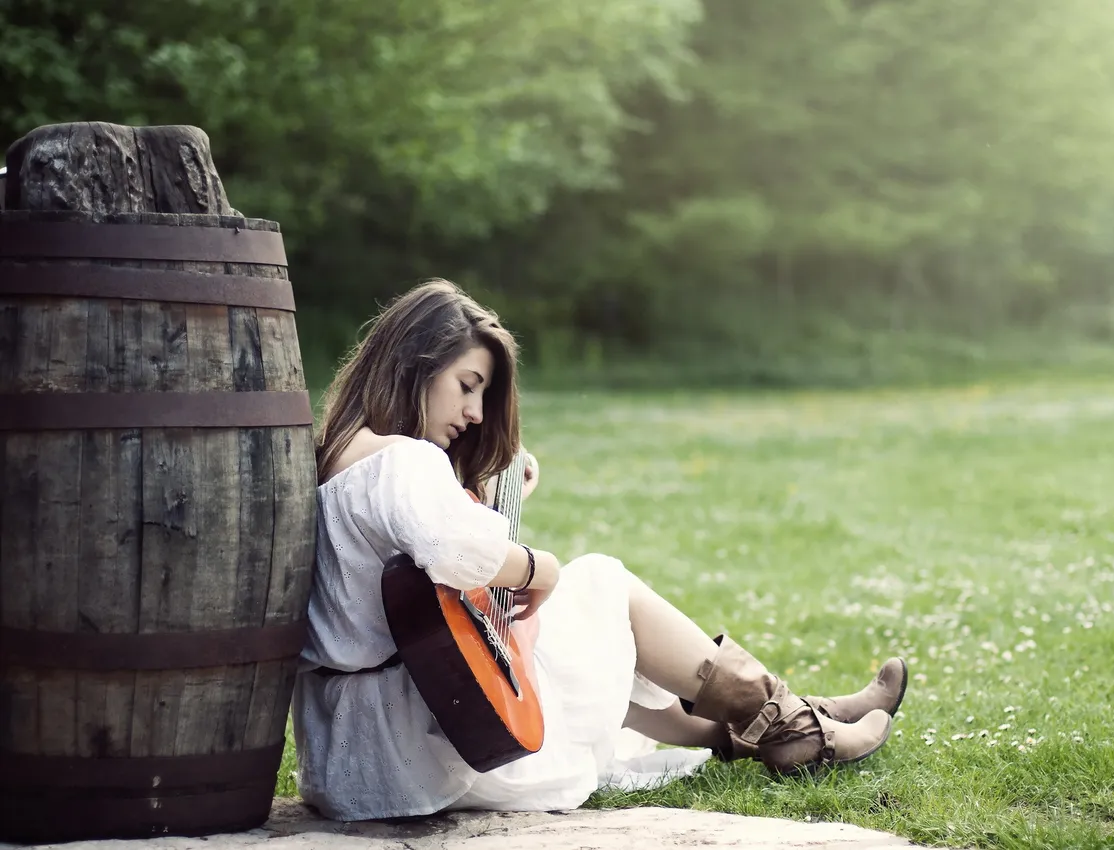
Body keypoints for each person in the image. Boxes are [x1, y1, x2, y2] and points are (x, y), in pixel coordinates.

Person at [292, 280, 909, 822]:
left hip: (354, 758)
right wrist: (543, 568)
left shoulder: (338, 454)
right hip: (427, 753)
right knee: (600, 584)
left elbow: (426, 590)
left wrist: (494, 510)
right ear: (415, 364)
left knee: (574, 632)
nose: (475, 413)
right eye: (468, 386)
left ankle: (786, 719)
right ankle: (783, 720)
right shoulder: (403, 461)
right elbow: (456, 550)